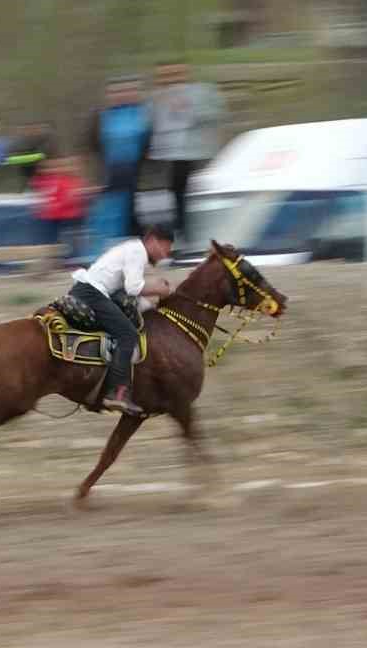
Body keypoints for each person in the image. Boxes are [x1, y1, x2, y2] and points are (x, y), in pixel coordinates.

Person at [61, 223, 175, 416]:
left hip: (93, 291)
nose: (165, 254)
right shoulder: (137, 251)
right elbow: (133, 288)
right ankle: (118, 393)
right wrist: (160, 289)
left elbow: (127, 294)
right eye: (165, 248)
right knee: (127, 334)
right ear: (152, 240)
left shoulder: (132, 249)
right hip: (92, 293)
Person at [150, 60, 227, 239]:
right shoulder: (155, 98)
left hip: (196, 153)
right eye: (165, 76)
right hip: (168, 155)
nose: (171, 80)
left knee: (191, 191)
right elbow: (151, 125)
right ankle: (184, 234)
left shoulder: (201, 92)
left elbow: (216, 114)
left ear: (186, 74)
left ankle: (197, 232)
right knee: (175, 193)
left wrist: (189, 110)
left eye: (176, 75)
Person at [84, 76, 154, 250]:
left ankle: (142, 245)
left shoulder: (144, 114)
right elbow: (92, 145)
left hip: (137, 170)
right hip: (111, 170)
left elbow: (151, 142)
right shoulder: (101, 116)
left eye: (128, 91)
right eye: (117, 92)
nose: (123, 95)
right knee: (114, 209)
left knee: (132, 209)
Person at [30, 157, 87, 264]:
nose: (50, 170)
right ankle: (54, 259)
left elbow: (72, 197)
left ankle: (72, 260)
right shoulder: (43, 181)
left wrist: (53, 205)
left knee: (69, 239)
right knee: (52, 239)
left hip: (68, 216)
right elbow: (42, 196)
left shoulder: (68, 181)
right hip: (51, 217)